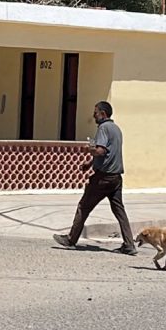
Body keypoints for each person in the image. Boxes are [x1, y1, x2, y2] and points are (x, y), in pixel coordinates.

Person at [52, 101, 137, 255]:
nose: (94, 115)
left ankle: (71, 240)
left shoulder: (103, 128)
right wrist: (90, 164)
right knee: (119, 211)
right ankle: (129, 244)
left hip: (103, 178)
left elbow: (101, 151)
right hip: (116, 177)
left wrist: (90, 149)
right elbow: (109, 153)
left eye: (96, 112)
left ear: (103, 113)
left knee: (83, 207)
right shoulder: (116, 129)